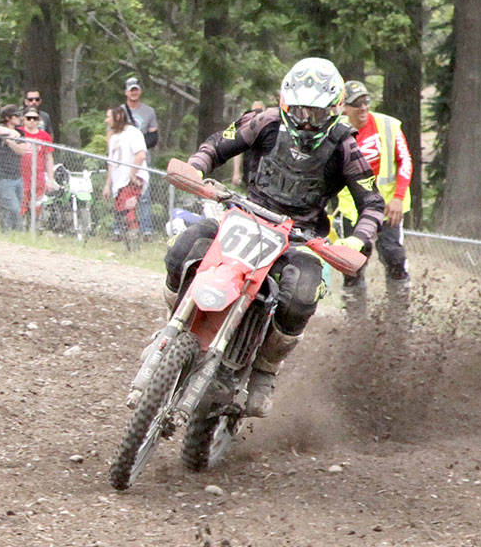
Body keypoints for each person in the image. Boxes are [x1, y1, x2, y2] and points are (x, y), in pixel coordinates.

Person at [161, 57, 385, 417]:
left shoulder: (345, 146)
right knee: (185, 246)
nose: (305, 120)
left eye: (315, 113)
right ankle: (176, 323)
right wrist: (197, 166)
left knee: (301, 292)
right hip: (246, 216)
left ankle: (265, 369)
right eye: (298, 110)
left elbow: (372, 203)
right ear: (285, 102)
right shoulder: (265, 121)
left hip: (300, 237)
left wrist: (355, 241)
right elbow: (219, 143)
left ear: (334, 110)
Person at [335, 79, 412, 314]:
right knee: (353, 263)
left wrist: (399, 196)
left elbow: (406, 162)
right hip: (353, 208)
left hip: (389, 205)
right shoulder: (335, 131)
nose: (363, 108)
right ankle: (355, 320)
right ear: (343, 107)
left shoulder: (388, 125)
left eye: (366, 102)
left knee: (393, 254)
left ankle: (399, 313)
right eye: (356, 104)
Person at [104, 104, 148, 240]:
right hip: (119, 182)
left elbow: (140, 155)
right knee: (121, 212)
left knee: (129, 211)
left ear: (118, 117)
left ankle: (134, 241)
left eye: (108, 117)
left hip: (131, 180)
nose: (106, 120)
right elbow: (111, 163)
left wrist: (132, 174)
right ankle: (127, 243)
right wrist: (107, 185)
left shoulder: (133, 133)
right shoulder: (112, 137)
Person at [123, 77, 160, 237]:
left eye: (136, 90)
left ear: (140, 91)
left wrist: (138, 144)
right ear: (126, 92)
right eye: (131, 90)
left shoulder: (148, 112)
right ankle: (122, 227)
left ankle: (147, 230)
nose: (134, 93)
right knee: (122, 191)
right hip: (125, 157)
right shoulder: (121, 111)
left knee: (143, 193)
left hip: (142, 155)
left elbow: (153, 137)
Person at [0, 104, 29, 230]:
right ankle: (20, 232)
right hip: (3, 177)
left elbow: (23, 150)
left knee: (12, 208)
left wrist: (10, 142)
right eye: (16, 115)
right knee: (14, 208)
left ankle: (6, 233)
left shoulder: (21, 132)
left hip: (17, 177)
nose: (19, 118)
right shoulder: (0, 129)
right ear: (8, 118)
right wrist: (10, 133)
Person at [19, 106, 55, 221]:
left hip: (38, 176)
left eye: (35, 118)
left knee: (36, 205)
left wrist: (50, 178)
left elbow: (49, 158)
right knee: (21, 203)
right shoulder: (19, 132)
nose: (32, 121)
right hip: (21, 175)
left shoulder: (44, 136)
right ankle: (21, 225)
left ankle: (34, 226)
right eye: (29, 118)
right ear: (23, 119)